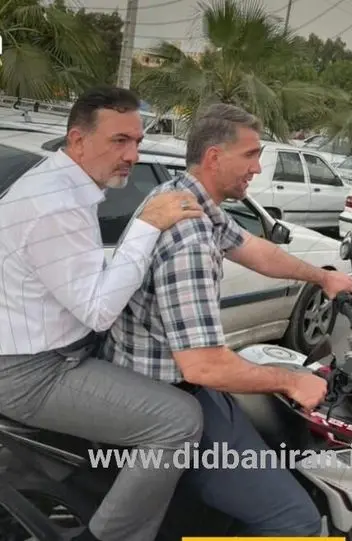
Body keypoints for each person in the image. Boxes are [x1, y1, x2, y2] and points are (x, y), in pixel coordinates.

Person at [100, 102, 352, 536]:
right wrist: (291, 382)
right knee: (295, 520)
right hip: (171, 393)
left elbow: (253, 248)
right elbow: (203, 366)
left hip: (171, 380)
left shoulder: (185, 197)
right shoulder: (189, 238)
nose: (258, 168)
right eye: (251, 155)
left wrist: (323, 277)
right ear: (214, 158)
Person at [0, 85, 207, 541]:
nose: (132, 155)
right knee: (179, 420)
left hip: (47, 352)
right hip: (33, 371)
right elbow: (97, 310)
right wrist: (148, 224)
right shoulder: (54, 205)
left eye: (137, 141)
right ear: (77, 140)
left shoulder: (59, 186)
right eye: (119, 141)